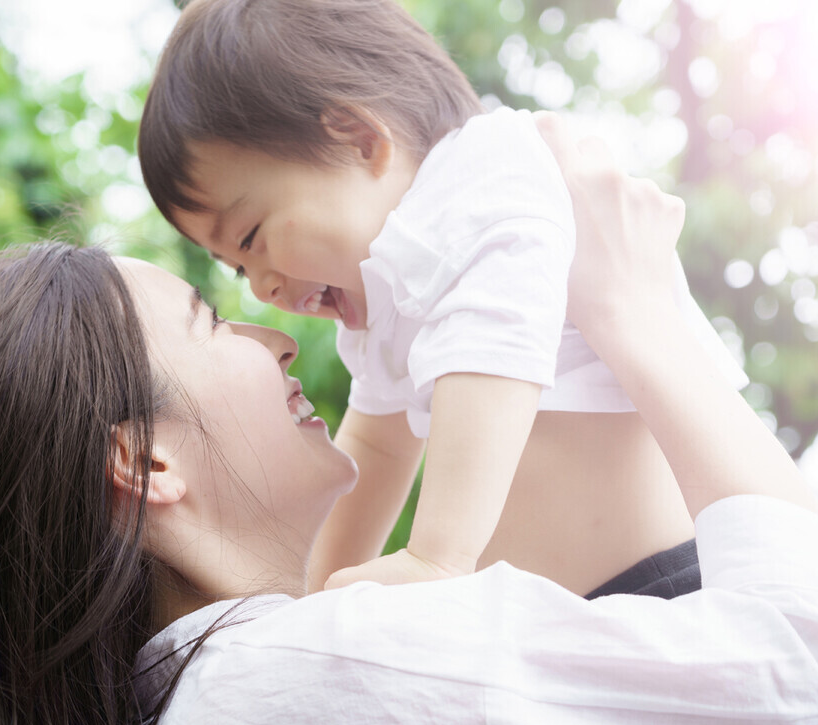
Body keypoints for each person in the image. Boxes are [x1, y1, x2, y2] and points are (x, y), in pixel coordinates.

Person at [0, 115, 818, 725]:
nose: (272, 331)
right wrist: (637, 314)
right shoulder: (291, 681)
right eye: (210, 320)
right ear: (146, 461)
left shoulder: (227, 702)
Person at [137, 0, 750, 595]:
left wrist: (437, 556)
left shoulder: (485, 173)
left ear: (359, 139)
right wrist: (306, 597)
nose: (262, 287)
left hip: (665, 583)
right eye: (238, 268)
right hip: (574, 618)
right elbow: (376, 448)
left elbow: (496, 340)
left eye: (251, 238)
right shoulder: (385, 293)